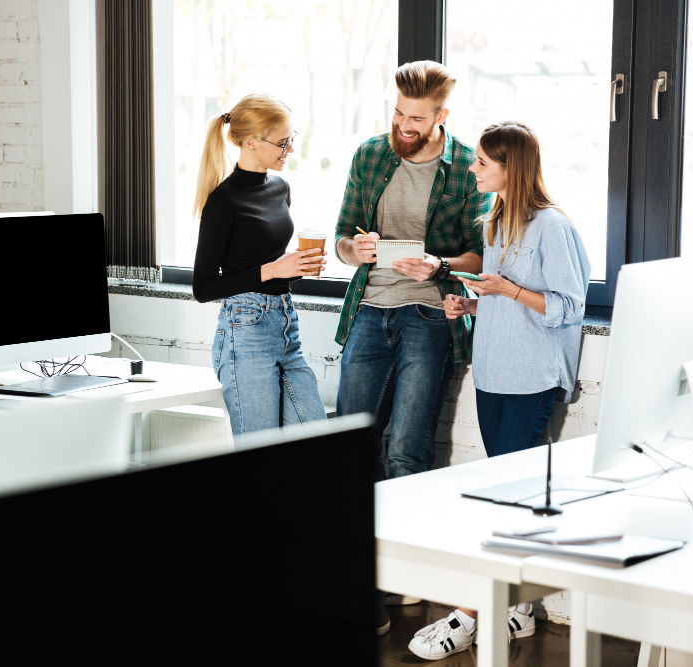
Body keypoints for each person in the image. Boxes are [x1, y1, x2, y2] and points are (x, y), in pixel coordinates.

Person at [407, 121, 591, 660]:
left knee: (509, 499)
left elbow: (568, 307)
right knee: (507, 495)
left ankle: (472, 611)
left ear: (511, 167)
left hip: (532, 376)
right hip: (491, 373)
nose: (473, 168)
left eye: (483, 163)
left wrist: (507, 288)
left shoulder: (553, 227)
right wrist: (470, 304)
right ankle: (515, 611)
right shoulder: (491, 223)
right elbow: (503, 301)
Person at [334, 60, 492, 484]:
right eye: (399, 113)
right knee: (348, 444)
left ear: (441, 117)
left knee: (408, 450)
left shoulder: (465, 167)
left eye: (416, 118)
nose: (403, 125)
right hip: (368, 310)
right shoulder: (369, 156)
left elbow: (480, 257)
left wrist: (439, 265)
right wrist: (356, 249)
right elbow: (342, 240)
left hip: (429, 314)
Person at [192, 93, 329, 437]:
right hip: (245, 330)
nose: (290, 151)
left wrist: (296, 266)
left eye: (291, 140)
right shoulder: (223, 202)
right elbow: (203, 288)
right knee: (261, 460)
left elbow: (264, 257)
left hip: (284, 323)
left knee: (317, 440)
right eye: (282, 143)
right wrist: (273, 270)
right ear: (251, 142)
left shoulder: (280, 187)